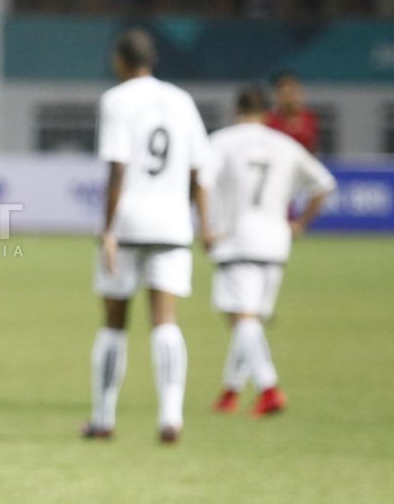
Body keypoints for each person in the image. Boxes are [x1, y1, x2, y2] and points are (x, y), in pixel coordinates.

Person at [84, 28, 209, 444]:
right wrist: (200, 222)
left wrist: (107, 230)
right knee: (165, 322)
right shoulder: (182, 100)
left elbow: (117, 168)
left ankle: (103, 419)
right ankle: (170, 417)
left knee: (114, 322)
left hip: (130, 223)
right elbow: (197, 171)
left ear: (120, 60)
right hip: (173, 224)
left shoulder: (116, 100)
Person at [202, 85, 336, 416]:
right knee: (250, 322)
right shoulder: (285, 144)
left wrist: (205, 227)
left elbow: (201, 182)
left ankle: (269, 388)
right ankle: (230, 392)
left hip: (236, 238)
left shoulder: (221, 141)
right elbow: (324, 185)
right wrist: (301, 222)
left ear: (237, 111)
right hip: (276, 241)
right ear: (267, 113)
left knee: (241, 319)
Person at [263, 70, 320, 154]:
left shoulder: (309, 118)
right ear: (278, 96)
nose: (291, 99)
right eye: (286, 95)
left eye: (293, 93)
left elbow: (311, 146)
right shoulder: (270, 120)